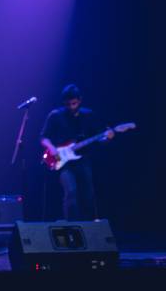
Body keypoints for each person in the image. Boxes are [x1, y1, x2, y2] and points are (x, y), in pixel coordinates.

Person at [40, 84, 113, 220]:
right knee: (71, 191)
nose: (71, 107)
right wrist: (52, 149)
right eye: (67, 104)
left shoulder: (88, 115)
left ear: (79, 100)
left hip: (83, 160)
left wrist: (107, 138)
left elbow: (99, 138)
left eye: (74, 103)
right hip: (63, 162)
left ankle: (89, 226)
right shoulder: (56, 115)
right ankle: (71, 225)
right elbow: (44, 137)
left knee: (88, 194)